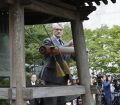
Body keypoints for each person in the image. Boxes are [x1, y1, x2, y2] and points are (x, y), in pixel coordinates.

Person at [41, 23, 73, 105]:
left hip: (63, 78)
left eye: (60, 29)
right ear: (53, 30)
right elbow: (54, 50)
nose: (59, 31)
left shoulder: (65, 43)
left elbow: (71, 58)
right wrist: (68, 45)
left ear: (63, 31)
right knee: (51, 102)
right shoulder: (47, 41)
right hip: (51, 76)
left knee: (61, 102)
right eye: (57, 29)